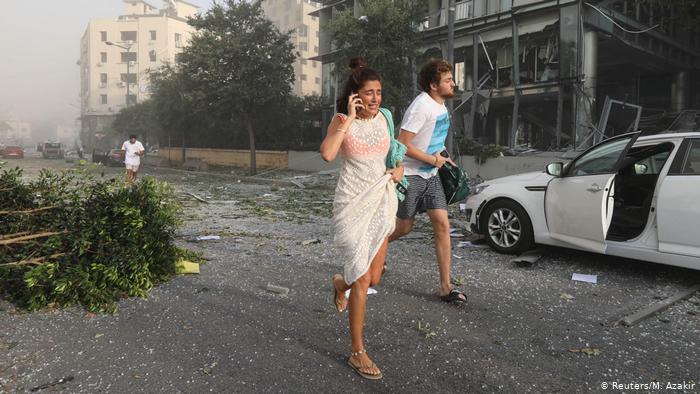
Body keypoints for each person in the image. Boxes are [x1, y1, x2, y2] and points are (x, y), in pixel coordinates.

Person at [321, 58, 404, 380]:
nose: (375, 99)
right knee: (364, 278)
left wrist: (399, 169)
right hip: (352, 204)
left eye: (379, 92)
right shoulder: (342, 119)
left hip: (382, 201)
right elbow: (328, 154)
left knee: (374, 278)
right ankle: (357, 352)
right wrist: (350, 118)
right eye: (368, 93)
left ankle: (340, 282)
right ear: (354, 95)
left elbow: (395, 153)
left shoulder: (385, 117)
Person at [388, 59, 468, 305]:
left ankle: (446, 287)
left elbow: (433, 138)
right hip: (411, 175)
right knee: (403, 228)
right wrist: (431, 160)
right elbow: (402, 144)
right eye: (447, 80)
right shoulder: (421, 107)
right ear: (434, 85)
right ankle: (375, 247)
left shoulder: (441, 107)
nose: (453, 83)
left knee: (442, 224)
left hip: (431, 176)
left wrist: (444, 156)